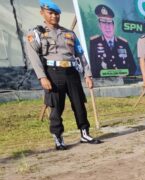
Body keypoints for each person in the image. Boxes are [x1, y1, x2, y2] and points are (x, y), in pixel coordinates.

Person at [25, 0, 102, 150]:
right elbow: (34, 57)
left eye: (57, 14)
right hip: (53, 73)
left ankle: (84, 133)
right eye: (51, 13)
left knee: (79, 104)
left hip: (72, 72)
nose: (54, 16)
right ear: (42, 13)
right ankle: (58, 138)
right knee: (56, 107)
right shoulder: (37, 33)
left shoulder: (69, 33)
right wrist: (42, 77)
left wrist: (88, 74)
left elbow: (80, 54)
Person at [89, 4, 136, 78]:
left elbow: (133, 67)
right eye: (104, 23)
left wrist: (125, 75)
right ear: (99, 25)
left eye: (109, 23)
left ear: (113, 25)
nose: (107, 27)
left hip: (125, 81)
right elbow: (93, 67)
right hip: (104, 82)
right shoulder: (94, 42)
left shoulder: (123, 43)